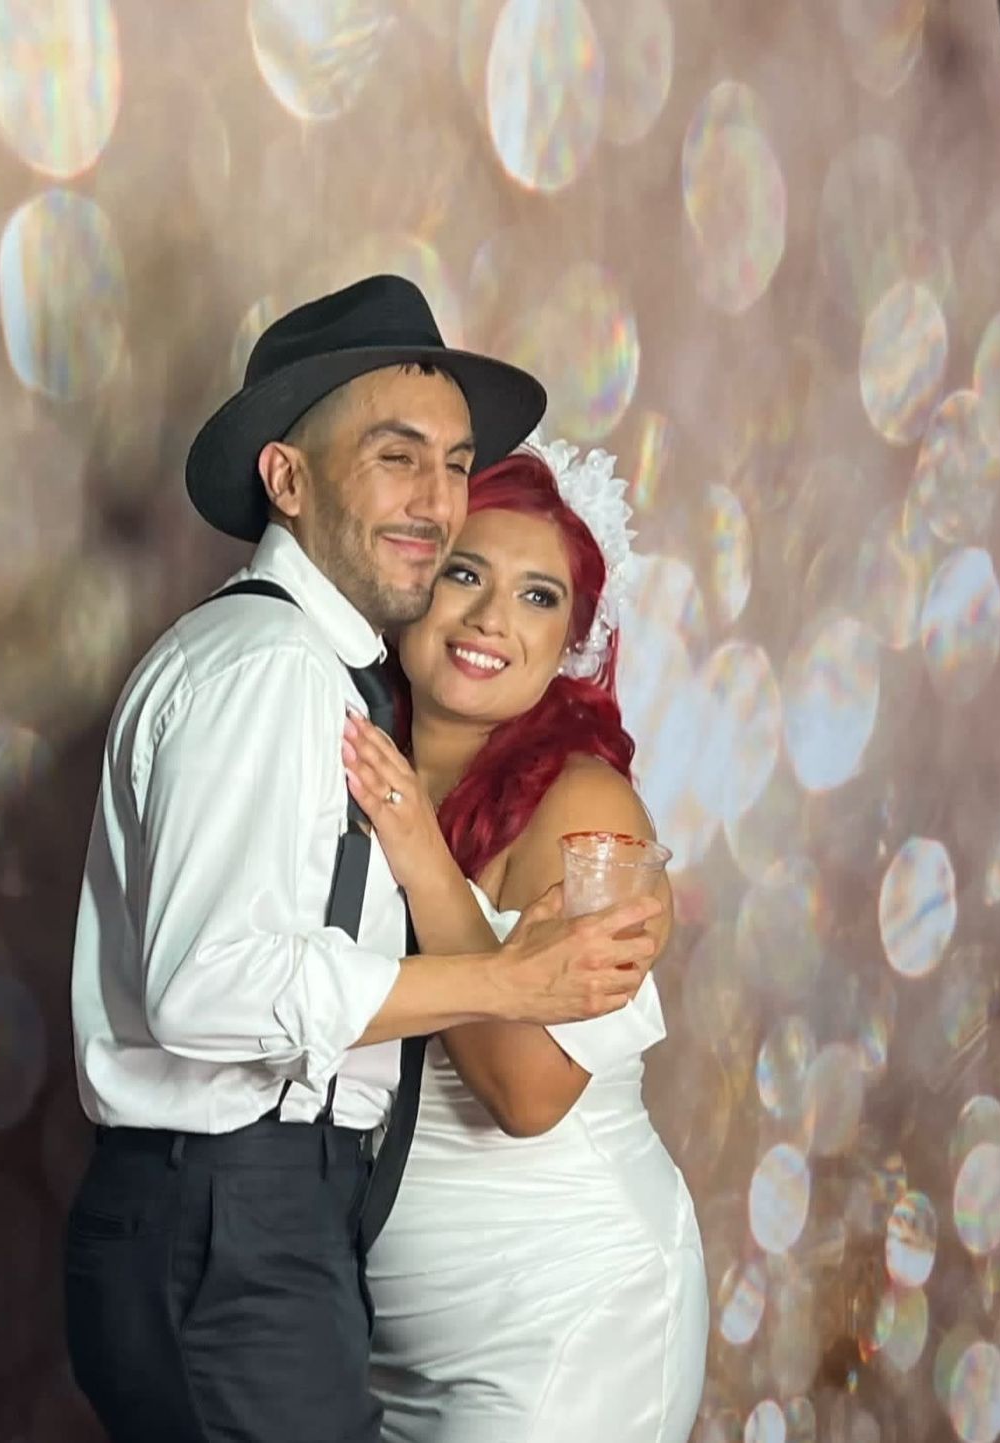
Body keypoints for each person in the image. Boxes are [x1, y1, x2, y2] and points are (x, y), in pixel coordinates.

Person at [63, 277, 669, 1443]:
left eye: (453, 464)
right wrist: (507, 979)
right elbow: (209, 987)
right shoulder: (273, 669)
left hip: (273, 1233)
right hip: (229, 1222)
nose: (437, 501)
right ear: (286, 479)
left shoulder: (336, 685)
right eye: (398, 458)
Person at [339, 441, 710, 1442]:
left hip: (570, 1326)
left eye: (539, 596)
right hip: (384, 1342)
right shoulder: (344, 747)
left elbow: (528, 1093)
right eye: (466, 572)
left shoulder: (587, 806)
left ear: (574, 641)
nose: (494, 618)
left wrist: (422, 853)